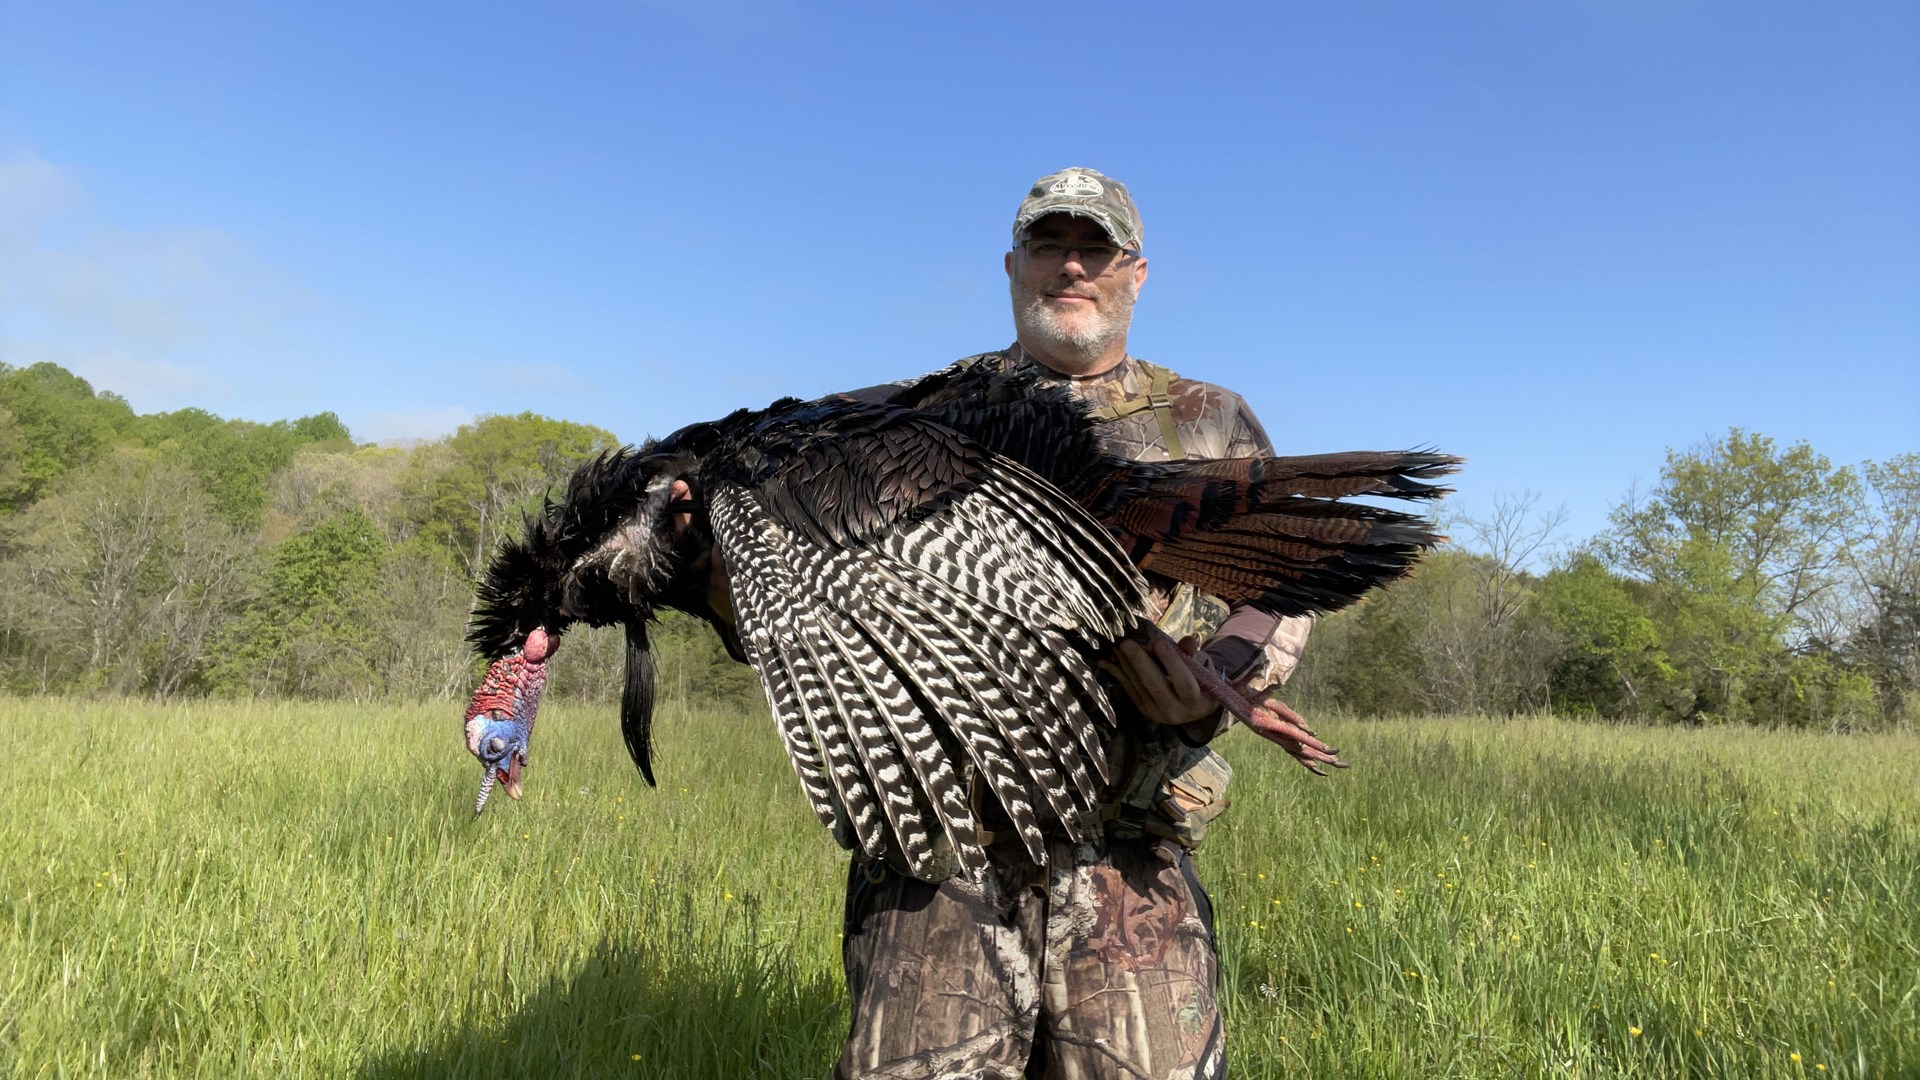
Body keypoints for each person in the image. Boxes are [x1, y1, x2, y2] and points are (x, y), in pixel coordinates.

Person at [834, 167, 1315, 1080]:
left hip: (1129, 857)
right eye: (1049, 244)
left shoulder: (1207, 422)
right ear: (1012, 264)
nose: (1072, 266)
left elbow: (1284, 582)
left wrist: (1213, 683)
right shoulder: (911, 419)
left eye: (1096, 247)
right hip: (943, 853)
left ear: (1137, 271)